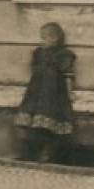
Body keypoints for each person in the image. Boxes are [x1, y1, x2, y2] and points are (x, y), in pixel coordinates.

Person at [13, 22, 76, 163]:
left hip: (53, 94)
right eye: (41, 38)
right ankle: (28, 153)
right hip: (35, 92)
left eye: (44, 38)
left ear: (54, 38)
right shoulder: (39, 53)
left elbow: (68, 76)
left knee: (48, 124)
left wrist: (69, 93)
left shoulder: (63, 55)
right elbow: (33, 70)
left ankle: (48, 154)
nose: (41, 41)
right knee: (30, 122)